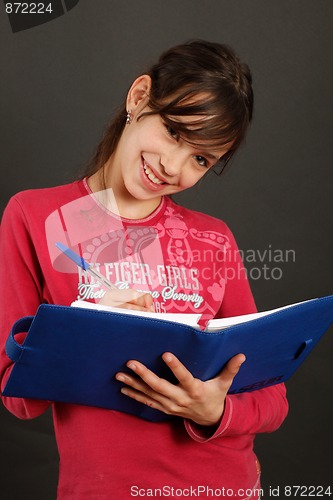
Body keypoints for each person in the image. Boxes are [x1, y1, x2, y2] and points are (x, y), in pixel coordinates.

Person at [0, 40, 288, 499]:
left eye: (201, 160)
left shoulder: (213, 238)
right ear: (139, 98)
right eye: (175, 132)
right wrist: (83, 324)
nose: (172, 167)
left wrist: (215, 410)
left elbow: (272, 399)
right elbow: (17, 398)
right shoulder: (35, 216)